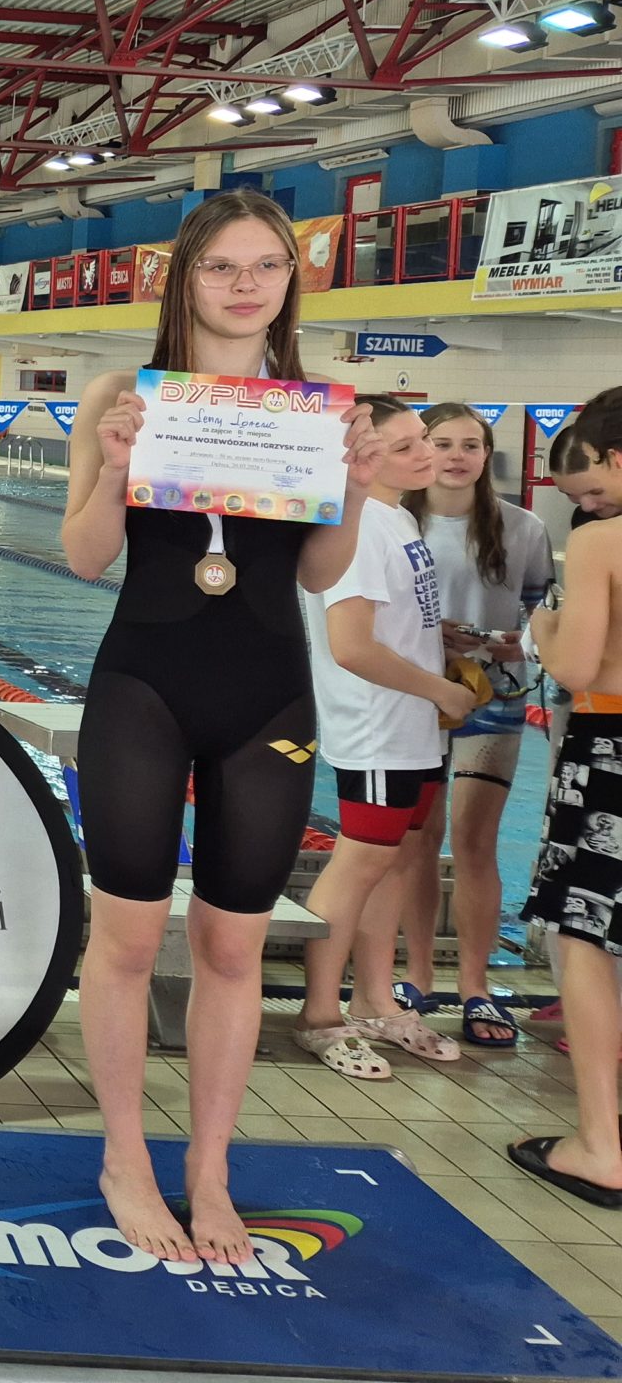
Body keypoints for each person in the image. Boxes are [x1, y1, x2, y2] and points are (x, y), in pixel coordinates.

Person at [62, 190, 377, 1267]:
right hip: (143, 686)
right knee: (127, 938)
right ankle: (123, 1158)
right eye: (222, 266)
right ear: (183, 277)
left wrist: (355, 489)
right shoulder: (120, 394)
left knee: (235, 944)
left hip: (267, 692)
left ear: (291, 280)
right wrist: (115, 464)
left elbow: (318, 577)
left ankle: (210, 1169)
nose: (247, 285)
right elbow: (85, 557)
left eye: (267, 266)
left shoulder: (313, 411)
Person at [290, 398, 476, 1079]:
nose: (426, 454)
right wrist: (440, 691)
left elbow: (387, 621)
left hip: (410, 726)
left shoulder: (396, 515)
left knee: (395, 863)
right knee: (359, 865)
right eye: (405, 448)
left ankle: (374, 1000)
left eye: (422, 438)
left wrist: (436, 640)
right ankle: (318, 1014)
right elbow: (351, 647)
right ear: (362, 458)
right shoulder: (361, 523)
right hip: (378, 727)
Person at [389, 404, 553, 1047]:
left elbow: (542, 609)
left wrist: (524, 641)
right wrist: (432, 634)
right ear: (422, 449)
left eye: (471, 445)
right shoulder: (396, 521)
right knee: (417, 842)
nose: (456, 456)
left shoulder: (524, 527)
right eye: (443, 443)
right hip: (416, 696)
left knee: (476, 843)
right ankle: (418, 976)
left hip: (495, 697)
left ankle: (476, 987)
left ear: (487, 455)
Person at [512, 388, 622, 1206]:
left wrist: (541, 629)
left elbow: (576, 666)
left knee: (583, 940)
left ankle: (599, 1146)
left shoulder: (600, 542)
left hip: (611, 747)